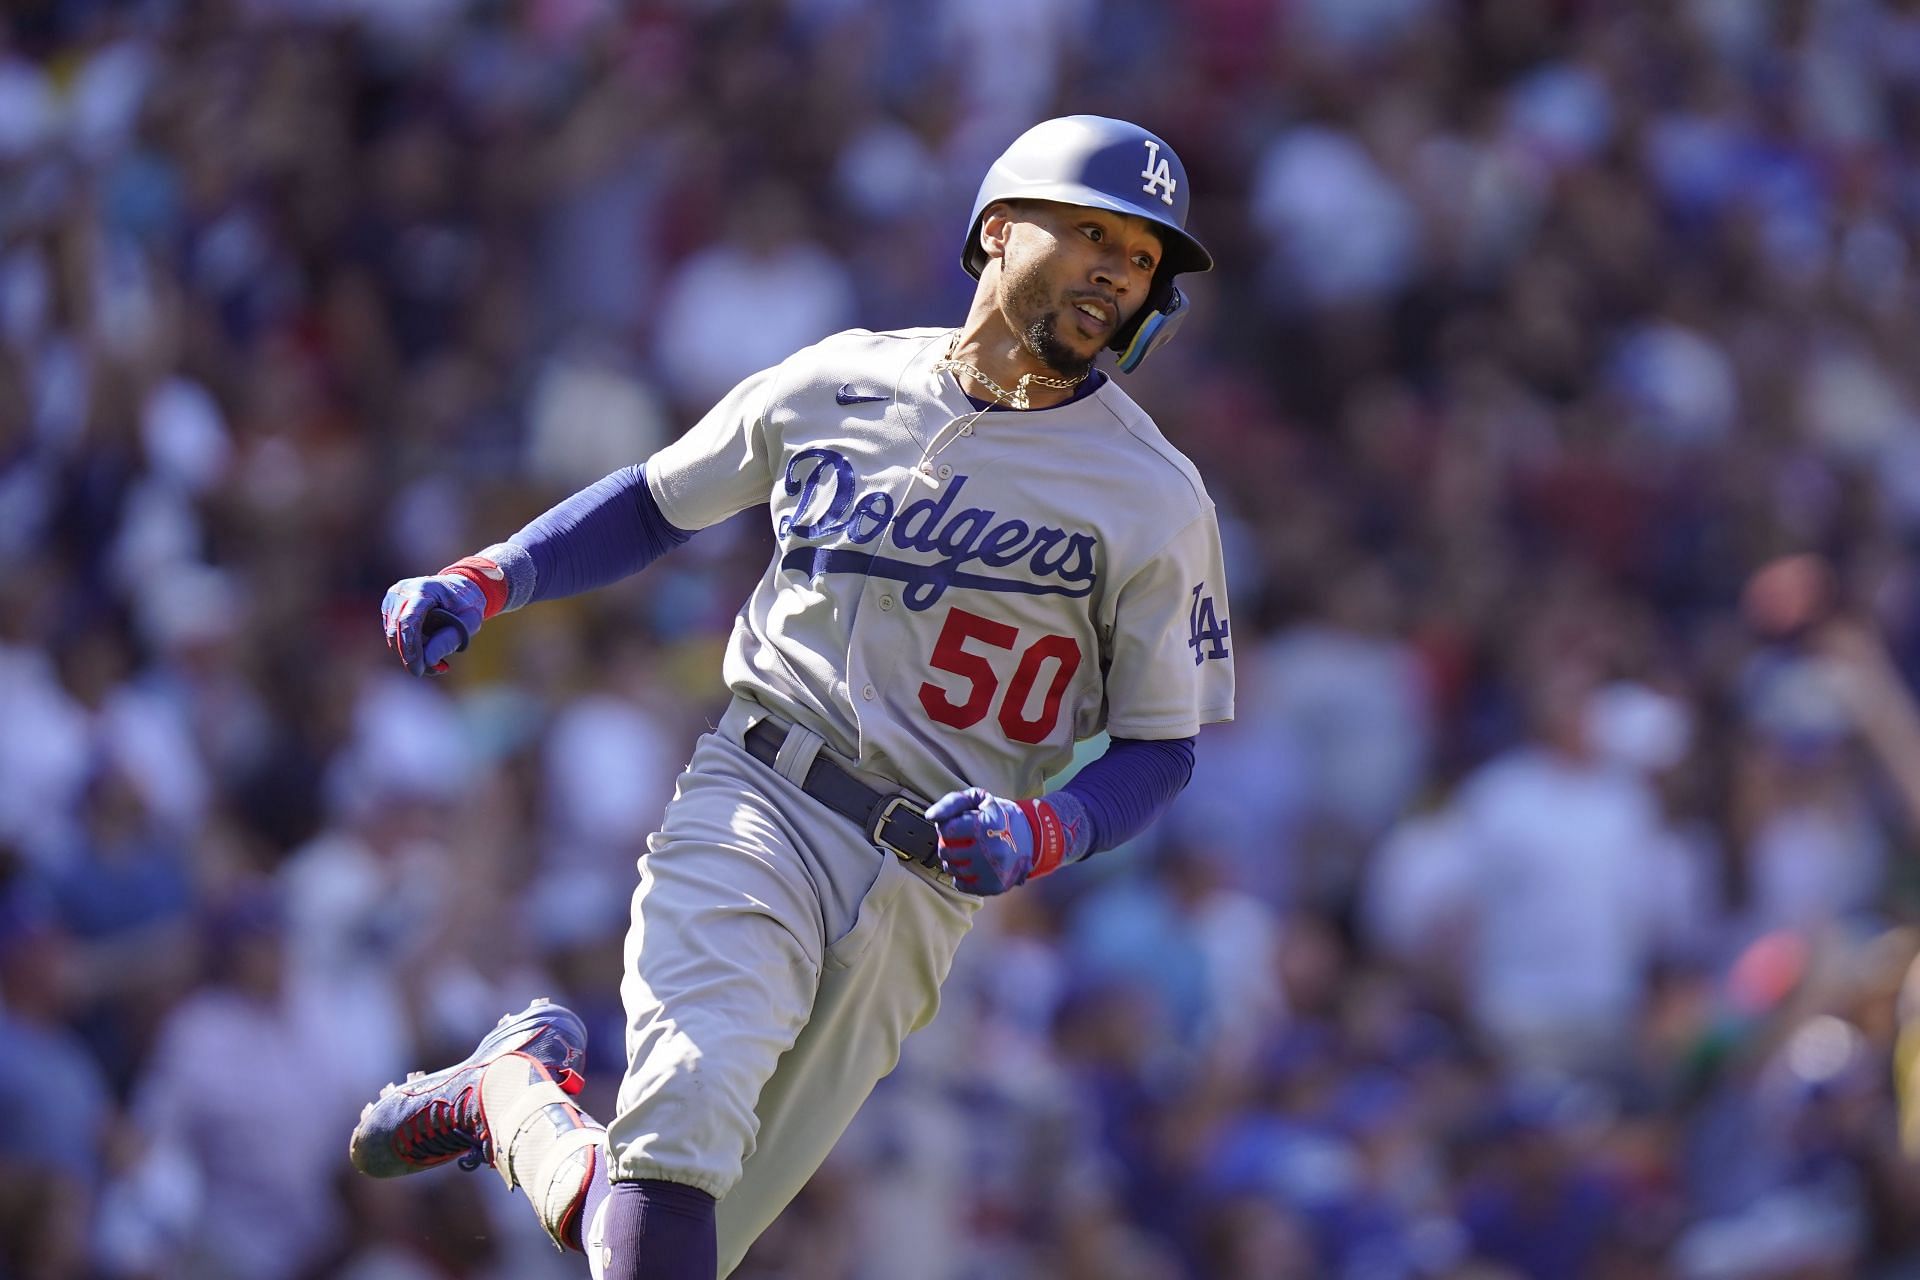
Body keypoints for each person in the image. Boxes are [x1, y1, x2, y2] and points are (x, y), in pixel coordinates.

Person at [350, 115, 1236, 1280]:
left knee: (669, 1240)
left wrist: (1043, 827)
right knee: (678, 1145)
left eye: (1140, 258)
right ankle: (523, 1099)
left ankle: (508, 1097)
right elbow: (659, 499)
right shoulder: (843, 376)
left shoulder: (1157, 495)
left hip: (929, 883)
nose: (1119, 271)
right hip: (764, 794)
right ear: (1001, 227)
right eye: (1093, 233)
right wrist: (492, 573)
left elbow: (1162, 745)